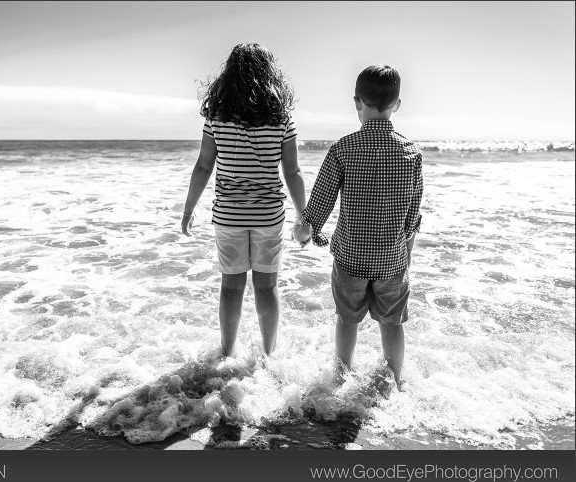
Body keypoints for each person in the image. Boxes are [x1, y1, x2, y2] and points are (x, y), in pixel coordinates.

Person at [297, 65, 423, 390]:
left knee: (347, 319)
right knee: (392, 323)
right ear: (397, 104)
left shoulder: (343, 148)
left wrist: (307, 228)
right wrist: (405, 253)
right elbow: (412, 215)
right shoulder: (412, 153)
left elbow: (321, 201)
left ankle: (340, 375)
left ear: (357, 103)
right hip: (392, 260)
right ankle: (396, 381)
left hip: (351, 257)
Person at [181, 42, 310, 358]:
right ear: (270, 75)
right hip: (268, 216)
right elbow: (292, 172)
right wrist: (303, 215)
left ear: (229, 76)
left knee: (231, 288)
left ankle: (227, 355)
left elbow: (203, 165)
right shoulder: (282, 118)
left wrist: (188, 210)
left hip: (229, 216)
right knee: (267, 288)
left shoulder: (217, 116)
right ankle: (268, 354)